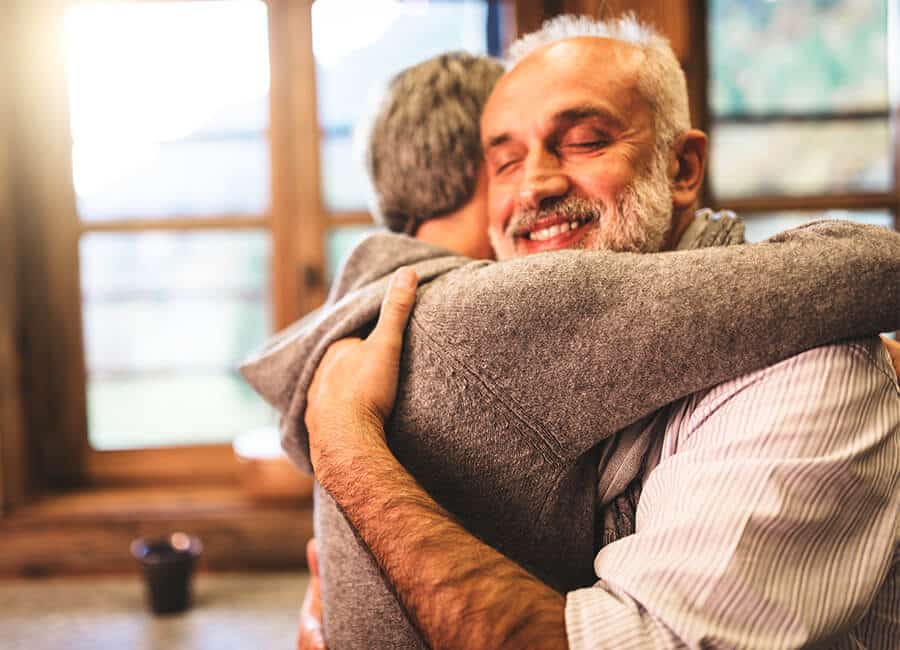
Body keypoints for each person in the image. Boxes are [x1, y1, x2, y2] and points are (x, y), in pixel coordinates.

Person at [243, 15, 900, 649]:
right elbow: (834, 274)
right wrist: (342, 441)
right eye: (504, 161)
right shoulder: (483, 313)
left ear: (683, 168)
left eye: (585, 140)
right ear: (475, 180)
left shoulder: (804, 369)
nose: (536, 184)